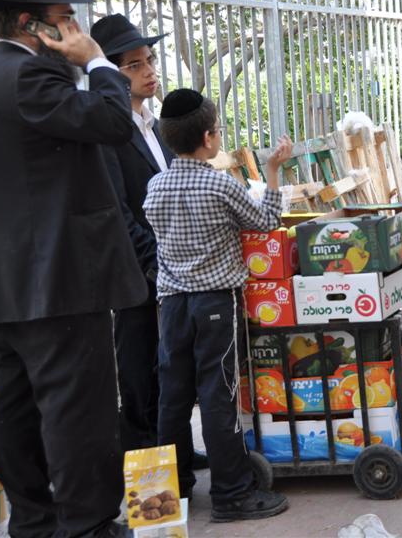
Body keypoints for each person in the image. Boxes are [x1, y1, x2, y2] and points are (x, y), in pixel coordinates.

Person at [0, 0, 149, 537]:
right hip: (55, 280)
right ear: (28, 22)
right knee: (76, 409)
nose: (75, 29)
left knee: (15, 407)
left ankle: (34, 523)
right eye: (65, 17)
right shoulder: (26, 74)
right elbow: (112, 123)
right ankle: (88, 524)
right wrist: (99, 64)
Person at [143, 89, 293, 522]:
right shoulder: (218, 182)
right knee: (218, 393)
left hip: (171, 304)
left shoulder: (155, 186)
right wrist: (272, 171)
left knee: (173, 396)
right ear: (209, 138)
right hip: (215, 302)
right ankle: (232, 493)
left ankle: (173, 492)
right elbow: (265, 221)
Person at [91, 14, 198, 463]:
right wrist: (152, 258)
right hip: (136, 271)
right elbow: (116, 208)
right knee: (137, 368)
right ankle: (144, 461)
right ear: (112, 75)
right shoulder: (110, 134)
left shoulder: (156, 128)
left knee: (171, 365)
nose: (149, 70)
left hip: (169, 267)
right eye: (135, 65)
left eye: (149, 59)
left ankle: (176, 452)